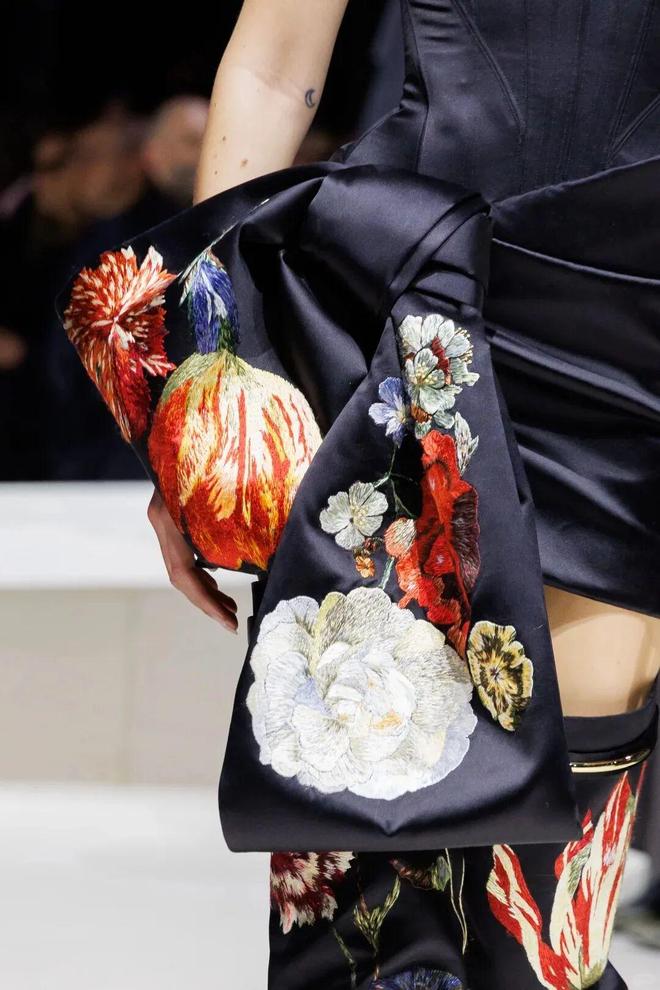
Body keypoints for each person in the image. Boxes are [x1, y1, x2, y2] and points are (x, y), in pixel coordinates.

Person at [55, 1, 660, 987]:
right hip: (413, 308)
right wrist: (201, 403)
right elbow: (272, 66)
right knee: (362, 883)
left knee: (546, 917)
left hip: (628, 334)